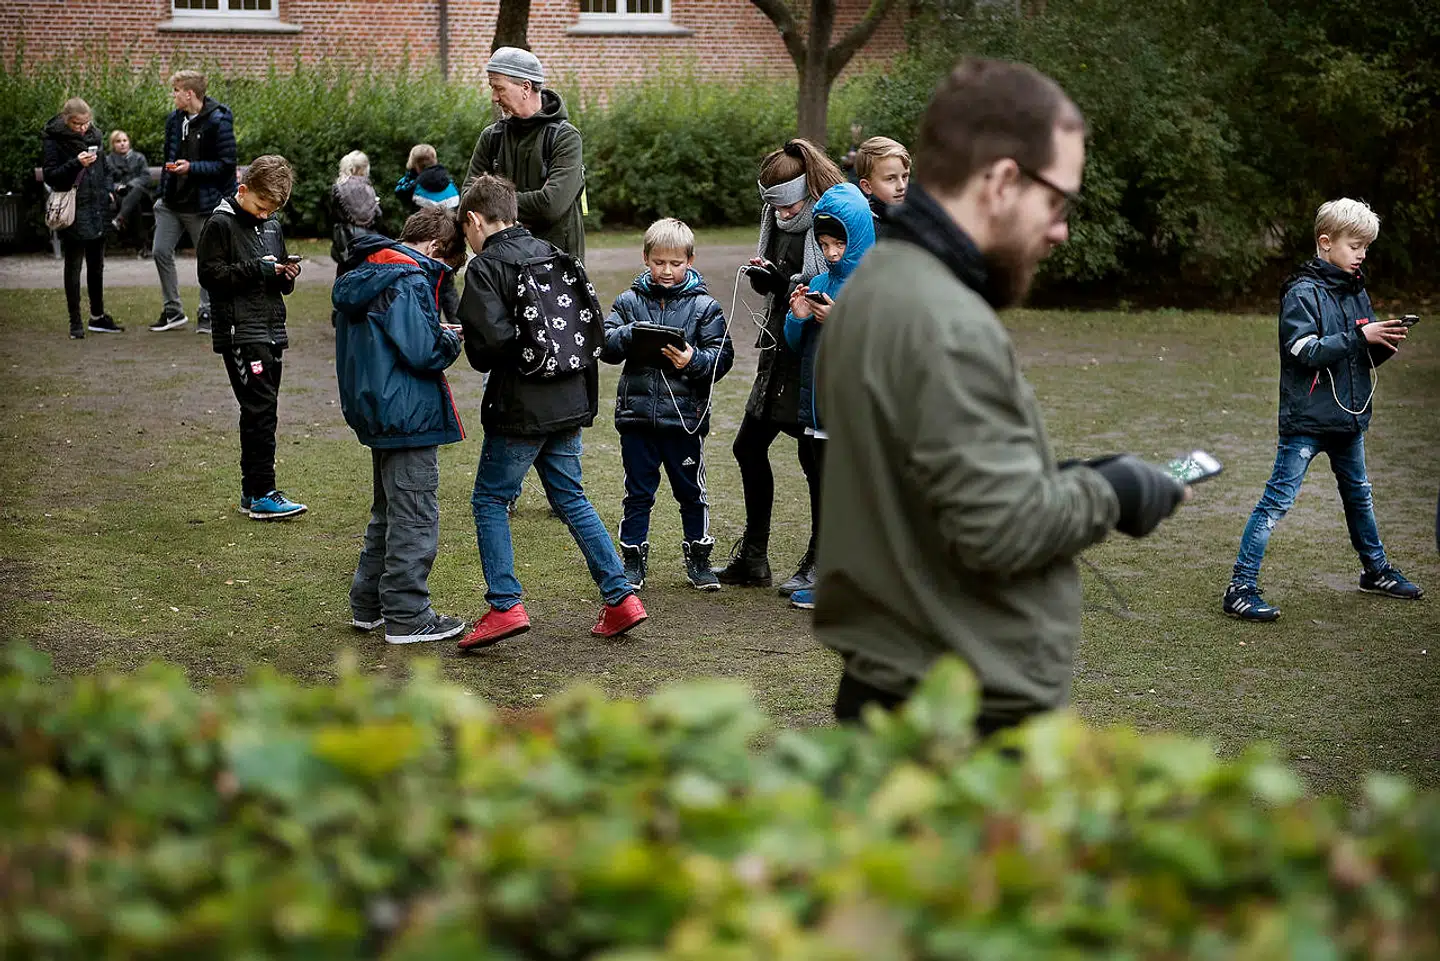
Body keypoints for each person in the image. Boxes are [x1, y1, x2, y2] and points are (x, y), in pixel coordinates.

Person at [813, 58, 1188, 732]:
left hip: (894, 683)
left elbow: (929, 484)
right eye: (1058, 201)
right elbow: (1001, 529)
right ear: (1004, 181)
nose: (1062, 228)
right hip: (958, 714)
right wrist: (1119, 492)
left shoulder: (874, 286)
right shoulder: (946, 321)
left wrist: (1060, 480)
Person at [454, 174, 647, 650]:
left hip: (521, 405)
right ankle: (621, 596)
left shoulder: (486, 267)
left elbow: (489, 347)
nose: (467, 240)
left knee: (490, 500)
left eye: (465, 230)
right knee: (571, 498)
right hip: (570, 397)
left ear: (475, 220)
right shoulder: (556, 254)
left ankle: (504, 604)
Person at [1222, 199, 1424, 621]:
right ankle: (1239, 587)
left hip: (1348, 418)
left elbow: (1356, 356)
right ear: (1326, 242)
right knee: (1276, 502)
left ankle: (1376, 571)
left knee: (1360, 497)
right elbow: (1303, 351)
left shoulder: (1356, 290)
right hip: (1307, 422)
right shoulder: (1302, 292)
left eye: (1366, 247)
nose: (1361, 254)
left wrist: (1382, 342)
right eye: (1355, 245)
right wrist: (1360, 338)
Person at [332, 206, 470, 644]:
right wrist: (450, 337)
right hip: (408, 413)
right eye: (446, 266)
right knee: (414, 514)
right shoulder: (408, 279)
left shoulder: (371, 270)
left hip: (380, 410)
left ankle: (368, 603)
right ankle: (408, 614)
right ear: (434, 248)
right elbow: (423, 351)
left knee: (388, 512)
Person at [717, 139, 844, 596]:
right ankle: (754, 556)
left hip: (813, 354)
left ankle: (820, 558)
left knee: (815, 460)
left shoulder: (832, 221)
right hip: (778, 346)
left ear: (807, 189)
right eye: (771, 203)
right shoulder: (775, 219)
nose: (781, 212)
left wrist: (788, 282)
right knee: (748, 447)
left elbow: (838, 279)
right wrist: (768, 277)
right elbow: (784, 276)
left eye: (787, 202)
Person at [600, 218, 735, 592]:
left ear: (690, 261)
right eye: (659, 262)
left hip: (685, 420)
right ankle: (632, 561)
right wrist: (630, 334)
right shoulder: (629, 301)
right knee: (638, 492)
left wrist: (693, 361)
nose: (667, 270)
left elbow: (721, 358)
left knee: (691, 492)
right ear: (646, 259)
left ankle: (699, 558)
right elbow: (605, 345)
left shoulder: (705, 307)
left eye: (675, 263)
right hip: (637, 419)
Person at [781, 182, 875, 611]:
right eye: (824, 243)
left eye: (839, 242)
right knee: (823, 496)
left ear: (858, 237)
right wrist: (799, 318)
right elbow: (797, 343)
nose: (832, 252)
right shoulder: (819, 280)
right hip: (817, 414)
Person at [197, 155, 307, 521]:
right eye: (261, 206)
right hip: (240, 331)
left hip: (272, 327)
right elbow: (210, 275)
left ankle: (252, 490)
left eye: (271, 210)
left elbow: (272, 278)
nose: (264, 215)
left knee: (265, 410)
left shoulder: (272, 224)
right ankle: (262, 491)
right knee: (259, 410)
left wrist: (285, 274)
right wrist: (257, 270)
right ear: (242, 189)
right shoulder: (220, 224)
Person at [464, 47, 586, 263]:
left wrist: (493, 203)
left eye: (499, 88)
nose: (494, 97)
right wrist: (529, 204)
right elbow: (467, 201)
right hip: (502, 266)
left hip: (555, 269)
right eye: (492, 88)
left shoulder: (565, 138)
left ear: (525, 87)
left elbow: (551, 206)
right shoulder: (491, 137)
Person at [152, 69, 236, 335]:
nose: (173, 95)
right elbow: (170, 154)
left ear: (190, 94)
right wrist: (168, 179)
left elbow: (226, 165)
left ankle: (207, 311)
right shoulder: (173, 120)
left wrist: (192, 168)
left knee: (209, 259)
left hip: (203, 204)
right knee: (160, 251)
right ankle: (173, 311)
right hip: (172, 202)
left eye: (176, 91)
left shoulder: (219, 120)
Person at [42, 97, 121, 338]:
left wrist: (108, 190)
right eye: (78, 124)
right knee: (74, 265)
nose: (83, 128)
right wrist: (75, 164)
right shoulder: (54, 139)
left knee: (97, 266)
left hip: (97, 206)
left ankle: (97, 316)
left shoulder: (95, 136)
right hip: (74, 208)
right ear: (67, 120)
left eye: (86, 123)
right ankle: (75, 321)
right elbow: (51, 176)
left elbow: (105, 168)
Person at [395, 144, 460, 322]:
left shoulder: (415, 185)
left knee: (427, 285)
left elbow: (399, 191)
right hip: (447, 241)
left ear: (415, 164)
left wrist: (411, 174)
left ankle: (431, 322)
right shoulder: (449, 181)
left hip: (422, 246)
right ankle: (458, 323)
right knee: (447, 286)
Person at [331, 149, 384, 277]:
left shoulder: (339, 187)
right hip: (368, 240)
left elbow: (333, 215)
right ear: (365, 168)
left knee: (345, 276)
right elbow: (378, 216)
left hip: (346, 241)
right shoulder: (369, 189)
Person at [105, 129, 152, 254]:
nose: (122, 144)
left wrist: (129, 185)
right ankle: (142, 245)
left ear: (129, 142)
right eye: (118, 141)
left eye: (125, 141)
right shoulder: (108, 160)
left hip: (141, 194)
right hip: (119, 196)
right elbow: (106, 178)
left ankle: (120, 219)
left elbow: (146, 177)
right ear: (113, 144)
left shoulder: (139, 157)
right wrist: (117, 187)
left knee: (136, 192)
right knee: (133, 205)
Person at [854, 136, 911, 219]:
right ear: (867, 186)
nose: (902, 186)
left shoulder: (920, 218)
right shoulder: (865, 226)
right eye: (890, 179)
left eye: (904, 176)